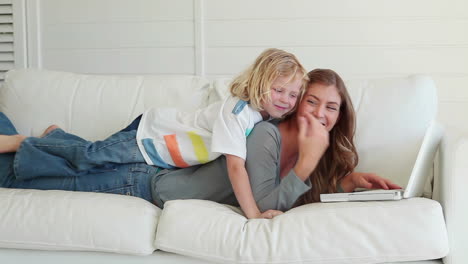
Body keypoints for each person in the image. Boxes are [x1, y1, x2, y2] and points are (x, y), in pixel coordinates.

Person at [0, 69, 400, 219]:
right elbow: (264, 204)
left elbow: (292, 195)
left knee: (66, 161)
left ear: (340, 114)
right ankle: (22, 139)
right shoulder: (265, 133)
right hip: (142, 181)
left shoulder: (310, 153)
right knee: (18, 182)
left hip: (148, 175)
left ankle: (56, 140)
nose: (320, 113)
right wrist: (307, 164)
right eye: (311, 101)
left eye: (331, 107)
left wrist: (346, 183)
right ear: (295, 105)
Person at [0, 48, 308, 219]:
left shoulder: (264, 116)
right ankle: (23, 142)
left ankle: (60, 137)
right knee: (88, 158)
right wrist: (252, 213)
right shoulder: (238, 113)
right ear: (258, 83)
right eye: (278, 90)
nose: (285, 99)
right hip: (150, 138)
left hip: (162, 152)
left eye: (293, 95)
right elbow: (235, 166)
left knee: (91, 155)